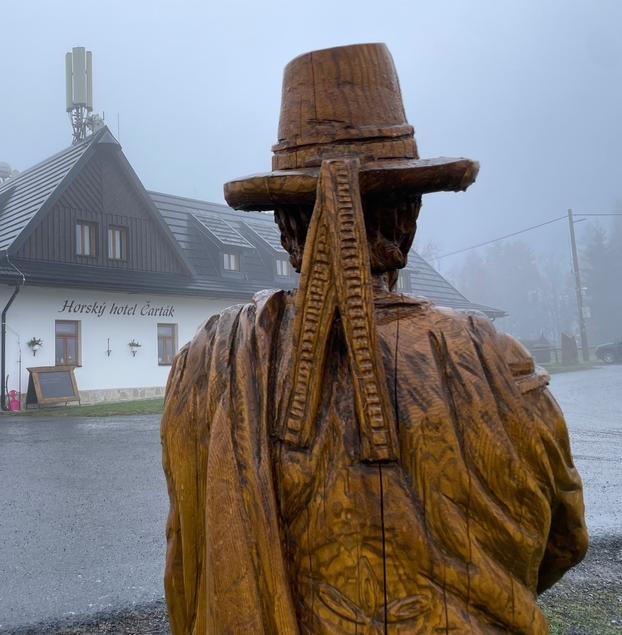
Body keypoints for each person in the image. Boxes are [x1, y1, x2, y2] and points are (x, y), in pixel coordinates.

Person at [161, 43, 587, 634]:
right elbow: (564, 538)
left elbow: (188, 552)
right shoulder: (494, 362)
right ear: (409, 216)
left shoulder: (204, 366)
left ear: (286, 225)